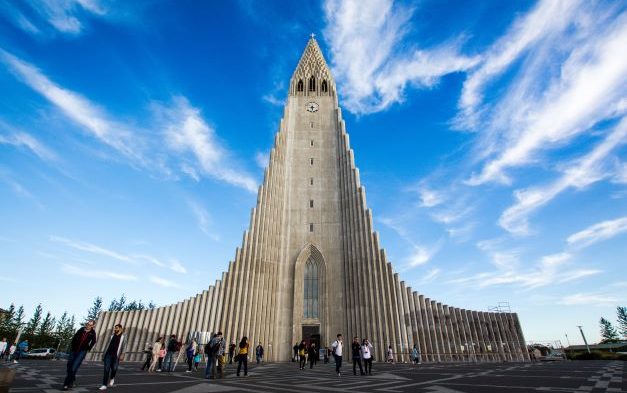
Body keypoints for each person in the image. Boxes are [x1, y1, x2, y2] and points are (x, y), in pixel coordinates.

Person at [63, 320, 97, 391]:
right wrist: (72, 346)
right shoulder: (81, 329)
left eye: (90, 325)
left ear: (93, 326)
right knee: (69, 365)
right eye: (87, 324)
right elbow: (74, 337)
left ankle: (66, 384)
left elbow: (94, 341)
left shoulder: (92, 332)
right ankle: (72, 379)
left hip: (82, 351)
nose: (88, 325)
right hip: (74, 350)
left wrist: (89, 348)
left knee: (74, 367)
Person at [99, 323, 126, 391]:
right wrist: (103, 354)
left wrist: (123, 354)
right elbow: (107, 345)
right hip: (108, 354)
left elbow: (124, 346)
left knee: (114, 369)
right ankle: (104, 385)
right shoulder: (111, 335)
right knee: (106, 370)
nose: (115, 329)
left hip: (116, 355)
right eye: (115, 328)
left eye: (116, 328)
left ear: (120, 328)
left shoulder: (123, 336)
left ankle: (112, 378)